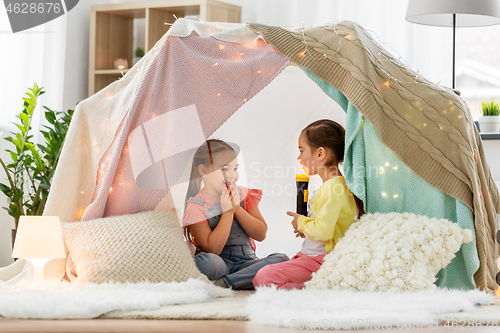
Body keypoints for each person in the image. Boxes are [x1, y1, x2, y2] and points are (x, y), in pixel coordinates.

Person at [252, 119, 364, 289]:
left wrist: (302, 222)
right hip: (312, 258)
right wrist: (305, 226)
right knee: (267, 275)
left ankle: (322, 289)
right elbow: (327, 226)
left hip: (321, 262)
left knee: (264, 277)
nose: (299, 158)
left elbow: (324, 231)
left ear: (320, 154)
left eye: (301, 150)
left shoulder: (333, 189)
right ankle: (319, 287)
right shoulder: (334, 186)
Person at [182, 139, 289, 289]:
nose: (232, 175)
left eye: (235, 168)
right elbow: (213, 249)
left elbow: (261, 234)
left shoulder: (244, 195)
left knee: (282, 260)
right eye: (225, 169)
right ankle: (244, 280)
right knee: (206, 263)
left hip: (246, 263)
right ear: (204, 171)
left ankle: (225, 283)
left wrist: (237, 208)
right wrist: (227, 212)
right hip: (219, 263)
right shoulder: (196, 206)